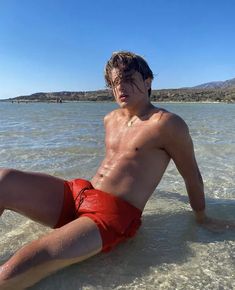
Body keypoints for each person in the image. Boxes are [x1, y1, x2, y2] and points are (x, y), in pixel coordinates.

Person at [0, 51, 233, 289]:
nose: (120, 88)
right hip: (81, 193)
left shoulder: (167, 124)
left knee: (12, 271)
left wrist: (202, 217)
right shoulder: (110, 118)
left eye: (129, 79)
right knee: (2, 179)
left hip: (110, 215)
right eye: (114, 83)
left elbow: (191, 175)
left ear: (148, 81)